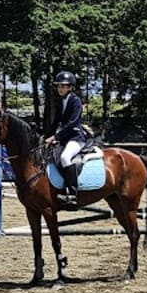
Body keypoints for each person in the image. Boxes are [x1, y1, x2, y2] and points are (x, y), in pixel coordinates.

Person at [51, 70, 87, 198]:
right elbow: (55, 122)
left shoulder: (76, 101)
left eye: (63, 86)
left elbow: (72, 123)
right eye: (58, 86)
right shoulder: (60, 102)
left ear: (70, 87)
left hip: (76, 137)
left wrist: (56, 137)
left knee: (65, 157)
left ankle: (72, 192)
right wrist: (45, 136)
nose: (60, 88)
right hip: (65, 138)